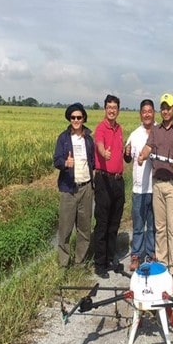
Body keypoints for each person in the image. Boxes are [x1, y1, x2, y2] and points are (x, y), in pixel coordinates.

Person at [138, 93, 173, 274]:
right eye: (163, 108)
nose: (166, 111)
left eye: (168, 107)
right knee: (160, 227)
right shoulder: (155, 131)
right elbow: (148, 147)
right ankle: (161, 264)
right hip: (157, 183)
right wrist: (142, 156)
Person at [53, 103, 95, 270]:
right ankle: (64, 263)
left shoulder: (88, 139)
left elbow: (92, 161)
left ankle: (80, 262)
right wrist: (65, 163)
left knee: (84, 228)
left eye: (79, 117)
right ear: (69, 119)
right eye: (73, 117)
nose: (76, 120)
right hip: (69, 188)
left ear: (84, 118)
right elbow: (56, 160)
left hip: (86, 187)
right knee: (65, 228)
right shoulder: (63, 138)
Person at [93, 94, 125, 279]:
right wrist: (103, 152)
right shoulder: (101, 128)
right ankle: (100, 263)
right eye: (109, 107)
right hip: (104, 180)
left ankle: (111, 258)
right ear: (105, 109)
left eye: (115, 107)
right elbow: (99, 144)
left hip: (118, 181)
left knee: (114, 222)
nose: (112, 110)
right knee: (103, 222)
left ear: (118, 110)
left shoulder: (119, 128)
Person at [123, 99, 156, 271]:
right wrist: (126, 153)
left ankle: (150, 254)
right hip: (138, 188)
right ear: (140, 114)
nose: (147, 114)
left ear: (154, 113)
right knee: (138, 225)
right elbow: (127, 157)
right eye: (144, 111)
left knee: (152, 225)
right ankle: (136, 255)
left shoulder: (159, 132)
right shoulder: (135, 134)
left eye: (150, 111)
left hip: (155, 187)